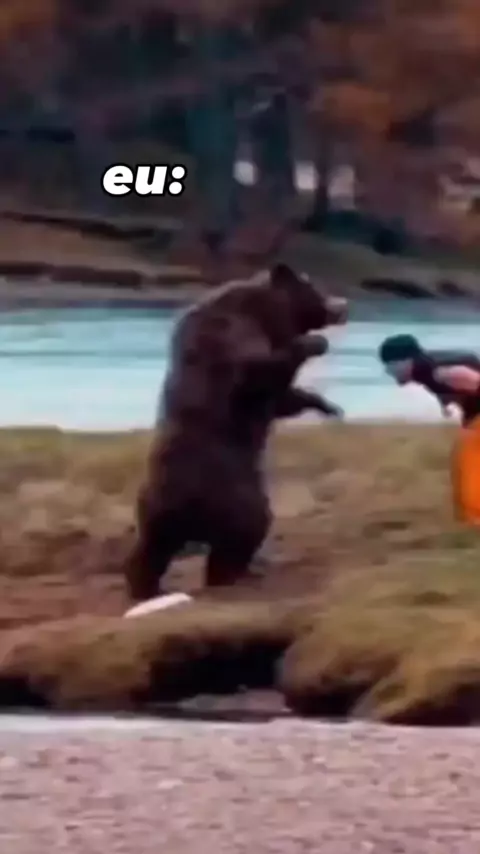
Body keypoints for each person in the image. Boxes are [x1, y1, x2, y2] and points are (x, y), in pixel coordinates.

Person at [378, 334, 480, 524]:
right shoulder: (424, 369)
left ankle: (475, 516)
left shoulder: (439, 372)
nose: (389, 371)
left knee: (469, 461)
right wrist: (447, 403)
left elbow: (469, 380)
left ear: (405, 362)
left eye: (391, 366)